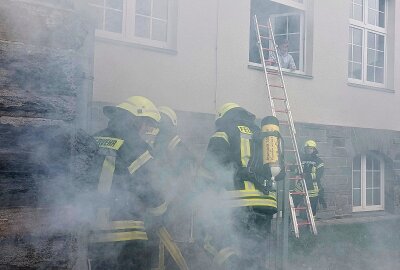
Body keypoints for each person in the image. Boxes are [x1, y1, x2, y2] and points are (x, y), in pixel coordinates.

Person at [198, 103, 285, 270]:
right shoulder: (263, 134)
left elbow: (210, 167)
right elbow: (280, 173)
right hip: (267, 205)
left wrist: (200, 195)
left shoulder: (224, 132)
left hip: (239, 204)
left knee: (228, 246)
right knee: (256, 254)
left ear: (222, 118)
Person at [87, 96, 168, 269]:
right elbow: (149, 187)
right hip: (127, 234)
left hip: (94, 233)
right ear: (137, 121)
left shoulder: (93, 139)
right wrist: (160, 213)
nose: (147, 130)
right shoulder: (134, 145)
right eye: (147, 124)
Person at [152, 106, 197, 268]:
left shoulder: (177, 147)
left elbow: (184, 184)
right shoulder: (160, 146)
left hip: (174, 212)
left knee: (173, 253)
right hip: (163, 209)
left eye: (161, 123)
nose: (158, 128)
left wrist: (166, 204)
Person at [298, 140, 325, 217]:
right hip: (300, 186)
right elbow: (297, 170)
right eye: (307, 148)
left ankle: (310, 227)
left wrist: (307, 175)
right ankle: (289, 222)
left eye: (310, 148)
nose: (308, 150)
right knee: (294, 204)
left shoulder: (319, 161)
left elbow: (318, 175)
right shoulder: (301, 159)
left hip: (312, 189)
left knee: (312, 210)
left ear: (314, 149)